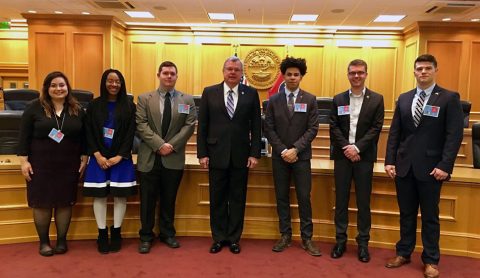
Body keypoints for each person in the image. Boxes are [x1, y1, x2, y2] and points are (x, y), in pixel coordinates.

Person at [384, 54, 463, 278]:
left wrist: (445, 165)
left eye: (428, 68)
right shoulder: (405, 98)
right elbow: (395, 133)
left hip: (432, 169)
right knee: (406, 213)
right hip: (404, 167)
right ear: (414, 71)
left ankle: (431, 260)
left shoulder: (448, 98)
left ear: (435, 70)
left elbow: (454, 135)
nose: (423, 72)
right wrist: (390, 160)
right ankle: (404, 252)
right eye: (419, 69)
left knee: (430, 216)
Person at [17, 71, 87, 256]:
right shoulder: (33, 108)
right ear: (47, 88)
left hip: (68, 164)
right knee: (42, 203)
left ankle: (62, 241)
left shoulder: (77, 109)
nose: (58, 89)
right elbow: (23, 137)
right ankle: (44, 242)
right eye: (54, 85)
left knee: (65, 202)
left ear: (67, 87)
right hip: (40, 164)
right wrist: (24, 162)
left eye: (62, 85)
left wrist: (85, 157)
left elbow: (84, 138)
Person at [197, 56, 262, 254]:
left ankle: (234, 238)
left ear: (242, 73)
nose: (232, 72)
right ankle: (218, 238)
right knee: (216, 199)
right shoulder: (209, 92)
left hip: (241, 156)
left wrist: (254, 154)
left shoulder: (251, 93)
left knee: (237, 199)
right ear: (223, 71)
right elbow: (203, 125)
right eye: (229, 69)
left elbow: (257, 126)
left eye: (236, 69)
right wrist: (202, 153)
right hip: (215, 154)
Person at [136, 61, 196, 254]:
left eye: (172, 73)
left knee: (169, 199)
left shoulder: (186, 100)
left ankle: (167, 233)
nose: (169, 76)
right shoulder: (145, 98)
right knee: (147, 200)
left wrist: (171, 145)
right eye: (165, 73)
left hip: (174, 157)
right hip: (149, 157)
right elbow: (141, 125)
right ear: (158, 75)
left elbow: (189, 126)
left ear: (177, 76)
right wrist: (159, 145)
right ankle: (146, 236)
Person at [263, 57, 321, 256]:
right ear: (283, 76)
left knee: (304, 197)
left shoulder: (310, 99)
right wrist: (282, 150)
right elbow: (268, 128)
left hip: (301, 157)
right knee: (282, 197)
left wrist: (296, 149)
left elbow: (313, 128)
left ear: (301, 76)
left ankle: (307, 238)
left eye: (296, 74)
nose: (292, 77)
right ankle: (285, 235)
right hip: (280, 158)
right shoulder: (273, 100)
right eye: (289, 74)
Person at [329, 59, 384, 262]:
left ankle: (363, 244)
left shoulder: (377, 99)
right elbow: (333, 126)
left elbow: (376, 128)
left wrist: (358, 148)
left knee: (363, 202)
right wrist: (348, 148)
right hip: (343, 157)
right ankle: (340, 241)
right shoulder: (338, 99)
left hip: (364, 158)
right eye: (353, 73)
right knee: (341, 201)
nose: (357, 76)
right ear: (348, 74)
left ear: (366, 74)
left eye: (360, 73)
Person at [83, 69, 137, 254]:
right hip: (99, 158)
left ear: (122, 85)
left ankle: (116, 232)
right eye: (110, 81)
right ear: (104, 83)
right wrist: (97, 155)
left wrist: (119, 156)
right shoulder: (93, 105)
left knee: (120, 196)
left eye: (117, 81)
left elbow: (130, 134)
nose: (114, 84)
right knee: (100, 196)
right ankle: (101, 234)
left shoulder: (130, 106)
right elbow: (88, 132)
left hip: (120, 158)